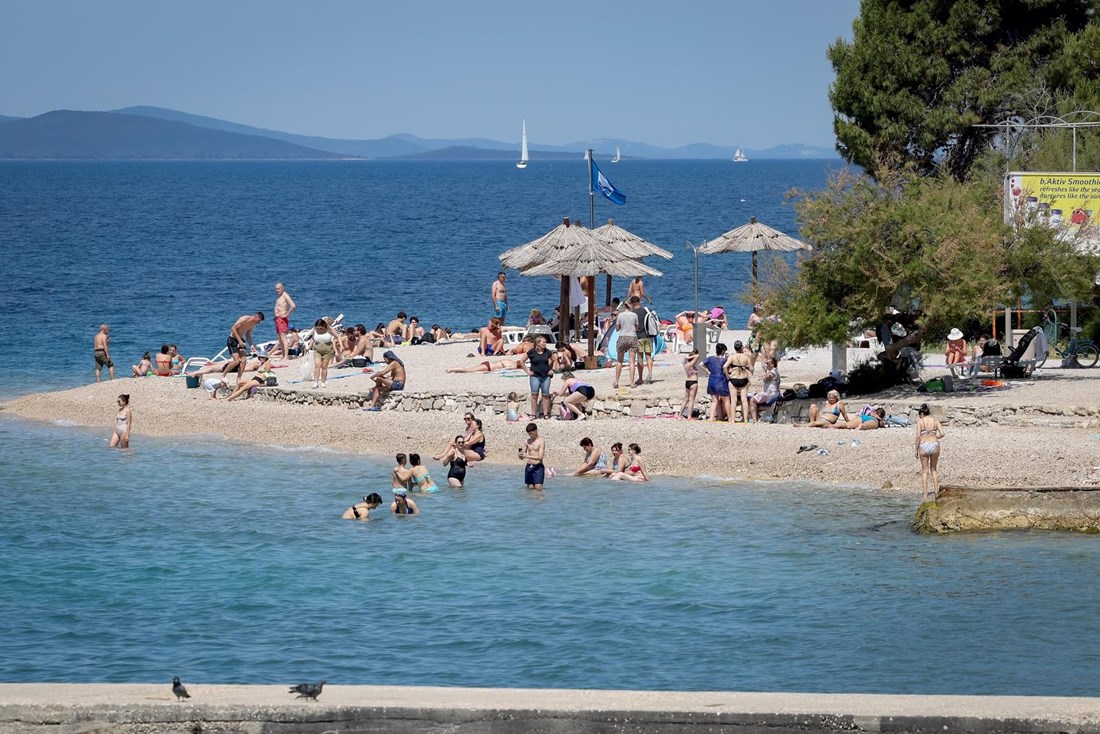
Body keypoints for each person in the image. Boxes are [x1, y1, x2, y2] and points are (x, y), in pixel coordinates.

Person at [519, 334, 554, 418]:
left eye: (545, 342)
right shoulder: (532, 352)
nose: (545, 344)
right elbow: (521, 361)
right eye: (543, 342)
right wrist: (527, 371)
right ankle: (533, 414)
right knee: (534, 395)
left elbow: (555, 359)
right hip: (535, 376)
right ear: (538, 343)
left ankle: (545, 414)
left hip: (546, 376)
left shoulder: (547, 352)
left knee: (545, 395)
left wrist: (552, 369)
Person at [915, 403, 945, 500]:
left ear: (922, 414)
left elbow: (918, 436)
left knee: (924, 471)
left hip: (923, 445)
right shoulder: (935, 421)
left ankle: (925, 495)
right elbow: (943, 433)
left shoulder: (920, 421)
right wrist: (935, 437)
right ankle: (936, 492)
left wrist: (916, 449)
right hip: (934, 444)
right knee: (934, 470)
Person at [224, 312, 265, 380]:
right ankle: (224, 374)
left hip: (240, 340)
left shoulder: (253, 324)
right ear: (256, 317)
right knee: (236, 361)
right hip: (232, 339)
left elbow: (248, 335)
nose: (259, 322)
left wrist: (251, 345)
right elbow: (233, 329)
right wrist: (239, 340)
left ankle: (239, 378)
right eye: (259, 321)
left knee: (244, 360)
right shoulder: (244, 319)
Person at [699, 343, 731, 421]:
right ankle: (730, 417)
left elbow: (701, 364)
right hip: (721, 381)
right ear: (723, 351)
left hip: (712, 380)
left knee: (714, 401)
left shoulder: (710, 358)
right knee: (726, 400)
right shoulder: (724, 360)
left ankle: (711, 417)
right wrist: (728, 358)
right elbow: (728, 369)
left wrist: (708, 371)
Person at [613, 300, 640, 389]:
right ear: (631, 306)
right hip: (632, 337)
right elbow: (637, 327)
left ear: (624, 306)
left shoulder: (620, 315)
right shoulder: (634, 315)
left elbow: (617, 328)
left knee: (619, 361)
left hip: (622, 337)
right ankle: (632, 383)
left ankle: (616, 382)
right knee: (631, 361)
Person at [725, 340, 753, 423]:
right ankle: (745, 419)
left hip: (733, 378)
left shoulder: (732, 357)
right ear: (741, 348)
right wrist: (748, 372)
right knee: (744, 400)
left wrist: (728, 376)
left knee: (733, 400)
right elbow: (752, 369)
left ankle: (732, 419)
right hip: (743, 379)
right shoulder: (746, 357)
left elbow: (724, 366)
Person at [748, 356, 782, 423]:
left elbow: (766, 377)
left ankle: (754, 419)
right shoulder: (773, 371)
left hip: (771, 394)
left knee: (752, 400)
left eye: (767, 363)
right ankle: (756, 417)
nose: (766, 365)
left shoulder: (773, 372)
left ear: (772, 364)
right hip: (769, 393)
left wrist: (764, 370)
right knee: (752, 395)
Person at [310, 318, 341, 389]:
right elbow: (312, 339)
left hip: (328, 350)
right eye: (317, 328)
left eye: (320, 328)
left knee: (324, 367)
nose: (319, 329)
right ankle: (315, 382)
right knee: (317, 365)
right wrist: (309, 347)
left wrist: (341, 345)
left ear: (323, 326)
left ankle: (323, 382)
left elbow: (337, 337)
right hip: (317, 350)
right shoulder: (315, 330)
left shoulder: (329, 329)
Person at [631, 295, 656, 385]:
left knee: (640, 357)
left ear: (632, 303)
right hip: (648, 335)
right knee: (649, 356)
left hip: (638, 337)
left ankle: (640, 378)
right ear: (639, 301)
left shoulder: (633, 313)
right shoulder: (646, 310)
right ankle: (650, 373)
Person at [273, 283, 296, 365]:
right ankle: (283, 355)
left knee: (283, 338)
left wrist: (287, 314)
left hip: (282, 319)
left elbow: (293, 305)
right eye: (276, 289)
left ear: (283, 288)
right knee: (280, 338)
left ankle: (286, 356)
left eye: (278, 288)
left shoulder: (285, 295)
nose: (277, 290)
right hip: (277, 319)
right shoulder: (280, 297)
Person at [520, 422, 545, 490]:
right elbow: (522, 455)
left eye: (531, 433)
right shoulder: (527, 441)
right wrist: (520, 455)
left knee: (538, 488)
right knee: (530, 488)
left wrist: (527, 456)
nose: (530, 435)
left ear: (535, 431)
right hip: (529, 467)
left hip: (538, 467)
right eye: (529, 434)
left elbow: (540, 457)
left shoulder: (541, 441)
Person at [680, 350, 700, 419]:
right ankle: (689, 416)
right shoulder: (691, 364)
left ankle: (680, 415)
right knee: (691, 400)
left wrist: (687, 358)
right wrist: (689, 357)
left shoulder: (685, 365)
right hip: (693, 382)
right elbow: (697, 356)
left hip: (687, 382)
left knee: (685, 399)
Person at [446, 357, 524, 373]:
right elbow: (504, 369)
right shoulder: (514, 366)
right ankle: (453, 369)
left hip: (488, 363)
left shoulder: (510, 360)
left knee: (472, 369)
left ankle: (456, 369)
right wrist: (496, 370)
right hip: (489, 367)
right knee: (470, 370)